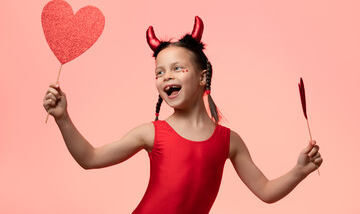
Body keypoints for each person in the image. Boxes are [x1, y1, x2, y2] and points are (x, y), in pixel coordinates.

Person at [43, 16, 323, 214]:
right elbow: (89, 158)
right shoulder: (151, 133)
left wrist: (299, 171)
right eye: (159, 72)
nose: (166, 77)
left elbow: (265, 191)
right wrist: (62, 117)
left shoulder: (229, 141)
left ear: (203, 77)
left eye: (177, 68)